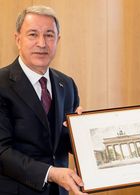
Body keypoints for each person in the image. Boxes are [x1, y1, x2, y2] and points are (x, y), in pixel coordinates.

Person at [0, 5, 88, 195]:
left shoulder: (67, 84)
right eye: (33, 34)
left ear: (58, 40)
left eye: (49, 35)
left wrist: (82, 130)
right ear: (18, 39)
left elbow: (62, 143)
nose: (42, 43)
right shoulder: (1, 84)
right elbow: (2, 152)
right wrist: (51, 173)